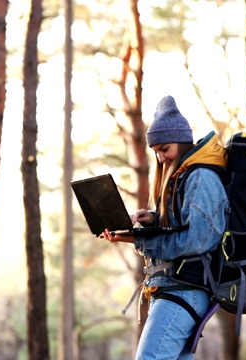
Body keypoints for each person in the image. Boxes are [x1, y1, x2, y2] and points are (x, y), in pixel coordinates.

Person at [101, 95, 228, 360]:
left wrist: (138, 240)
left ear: (182, 141)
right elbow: (183, 224)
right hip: (174, 289)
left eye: (165, 149)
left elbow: (195, 239)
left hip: (185, 291)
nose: (160, 158)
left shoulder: (202, 177)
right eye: (156, 152)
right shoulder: (184, 176)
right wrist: (154, 220)